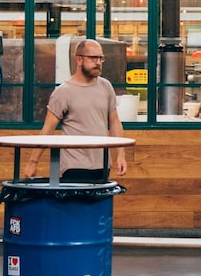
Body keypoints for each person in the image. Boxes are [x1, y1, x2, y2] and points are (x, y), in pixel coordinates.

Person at [24, 39, 128, 181]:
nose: (98, 62)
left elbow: (115, 122)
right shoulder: (63, 92)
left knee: (99, 203)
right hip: (75, 165)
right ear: (79, 60)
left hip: (102, 164)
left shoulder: (106, 86)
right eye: (93, 58)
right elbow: (47, 129)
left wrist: (120, 155)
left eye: (100, 58)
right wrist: (33, 162)